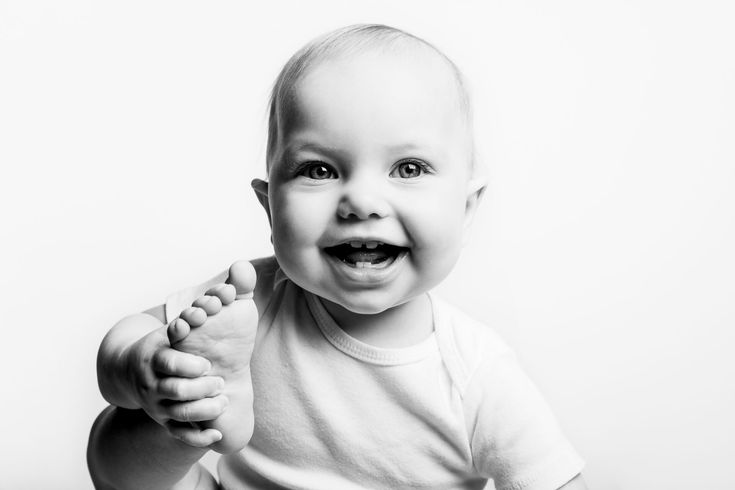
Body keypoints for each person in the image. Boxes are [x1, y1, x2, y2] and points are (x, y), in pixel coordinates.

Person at [88, 24, 587, 490]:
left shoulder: (475, 375)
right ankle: (195, 415)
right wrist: (146, 367)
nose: (362, 202)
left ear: (466, 207)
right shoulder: (249, 303)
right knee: (121, 439)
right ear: (269, 206)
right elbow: (124, 338)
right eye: (320, 170)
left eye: (408, 168)